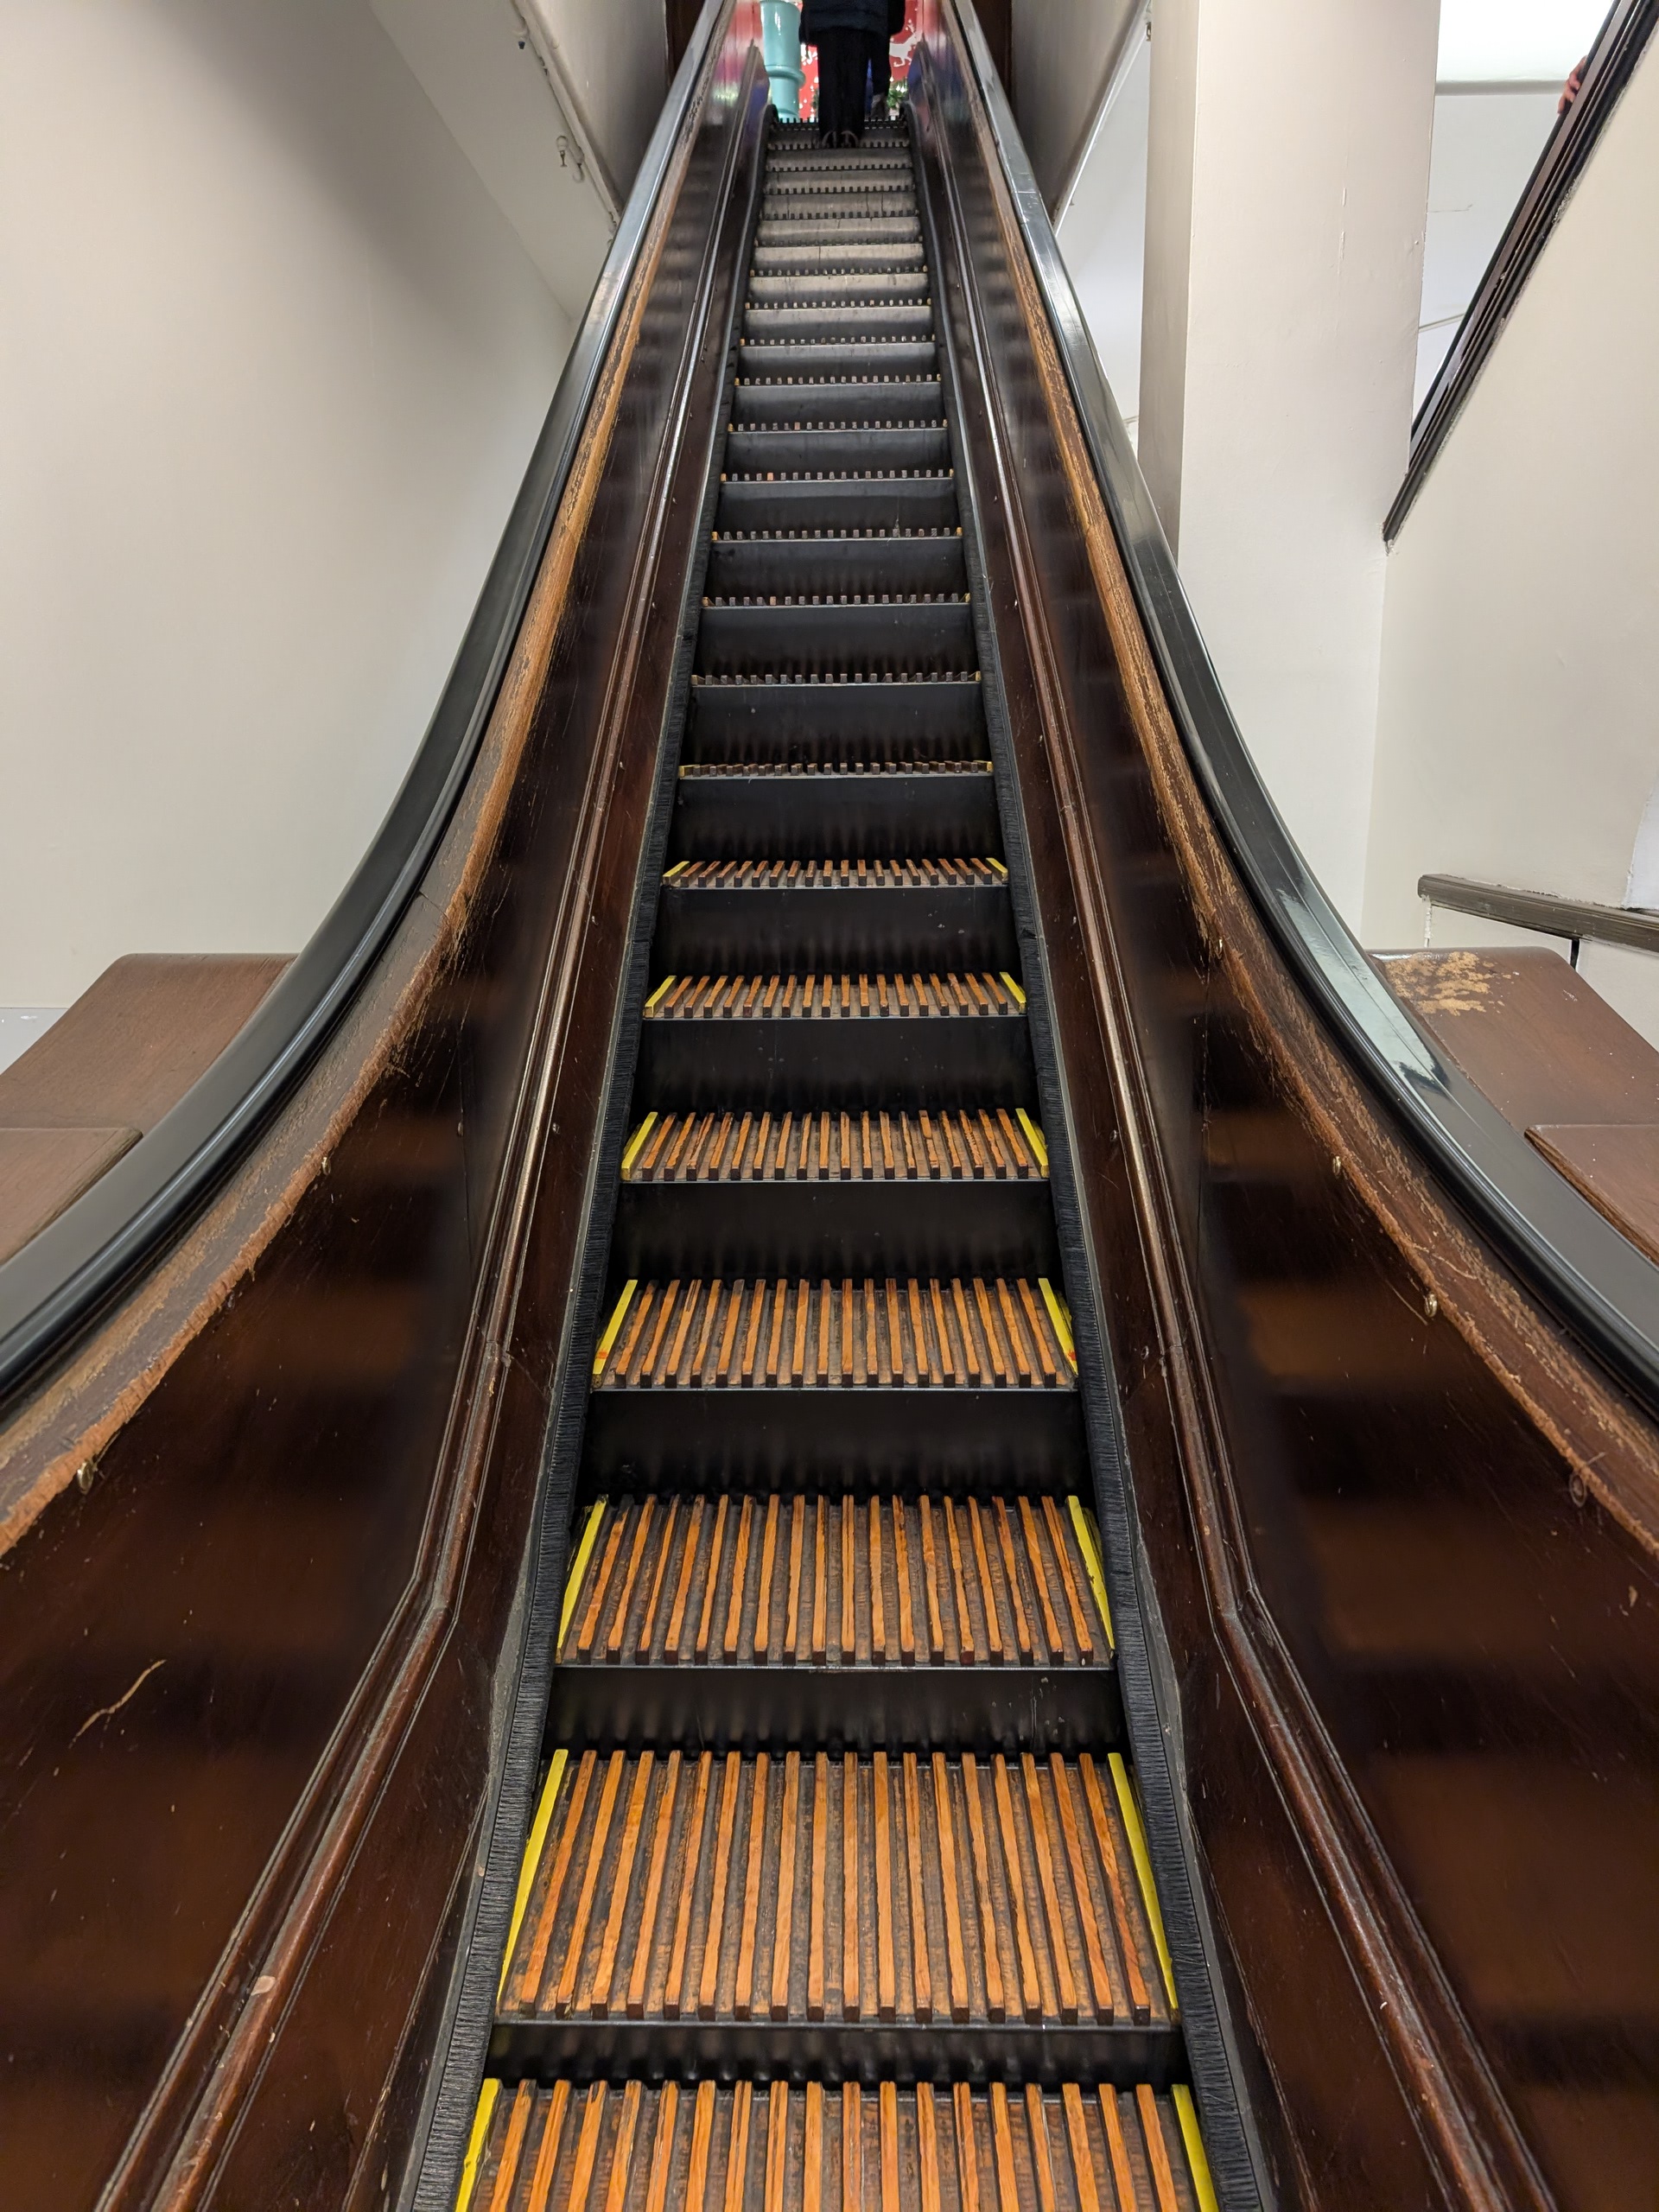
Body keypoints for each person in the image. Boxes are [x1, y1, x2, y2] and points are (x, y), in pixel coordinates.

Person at [802, 0, 889, 146]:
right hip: (862, 14)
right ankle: (851, 130)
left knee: (829, 72)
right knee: (856, 71)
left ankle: (830, 131)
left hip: (824, 13)